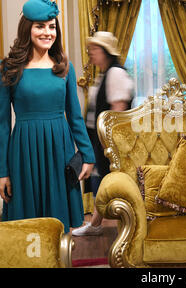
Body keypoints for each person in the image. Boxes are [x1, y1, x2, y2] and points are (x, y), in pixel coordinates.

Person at [0, 0, 95, 233]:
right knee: (27, 225)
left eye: (52, 27)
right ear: (27, 29)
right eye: (40, 26)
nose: (48, 32)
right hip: (23, 151)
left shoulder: (63, 67)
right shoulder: (8, 68)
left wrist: (87, 155)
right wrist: (2, 172)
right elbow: (1, 123)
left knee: (60, 223)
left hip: (59, 150)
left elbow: (75, 116)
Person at [72, 31, 134, 236]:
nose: (90, 53)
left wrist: (107, 144)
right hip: (98, 139)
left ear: (106, 51)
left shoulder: (115, 73)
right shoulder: (105, 73)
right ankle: (96, 224)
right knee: (101, 180)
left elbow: (117, 112)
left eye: (95, 49)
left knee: (107, 181)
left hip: (107, 141)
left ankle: (116, 225)